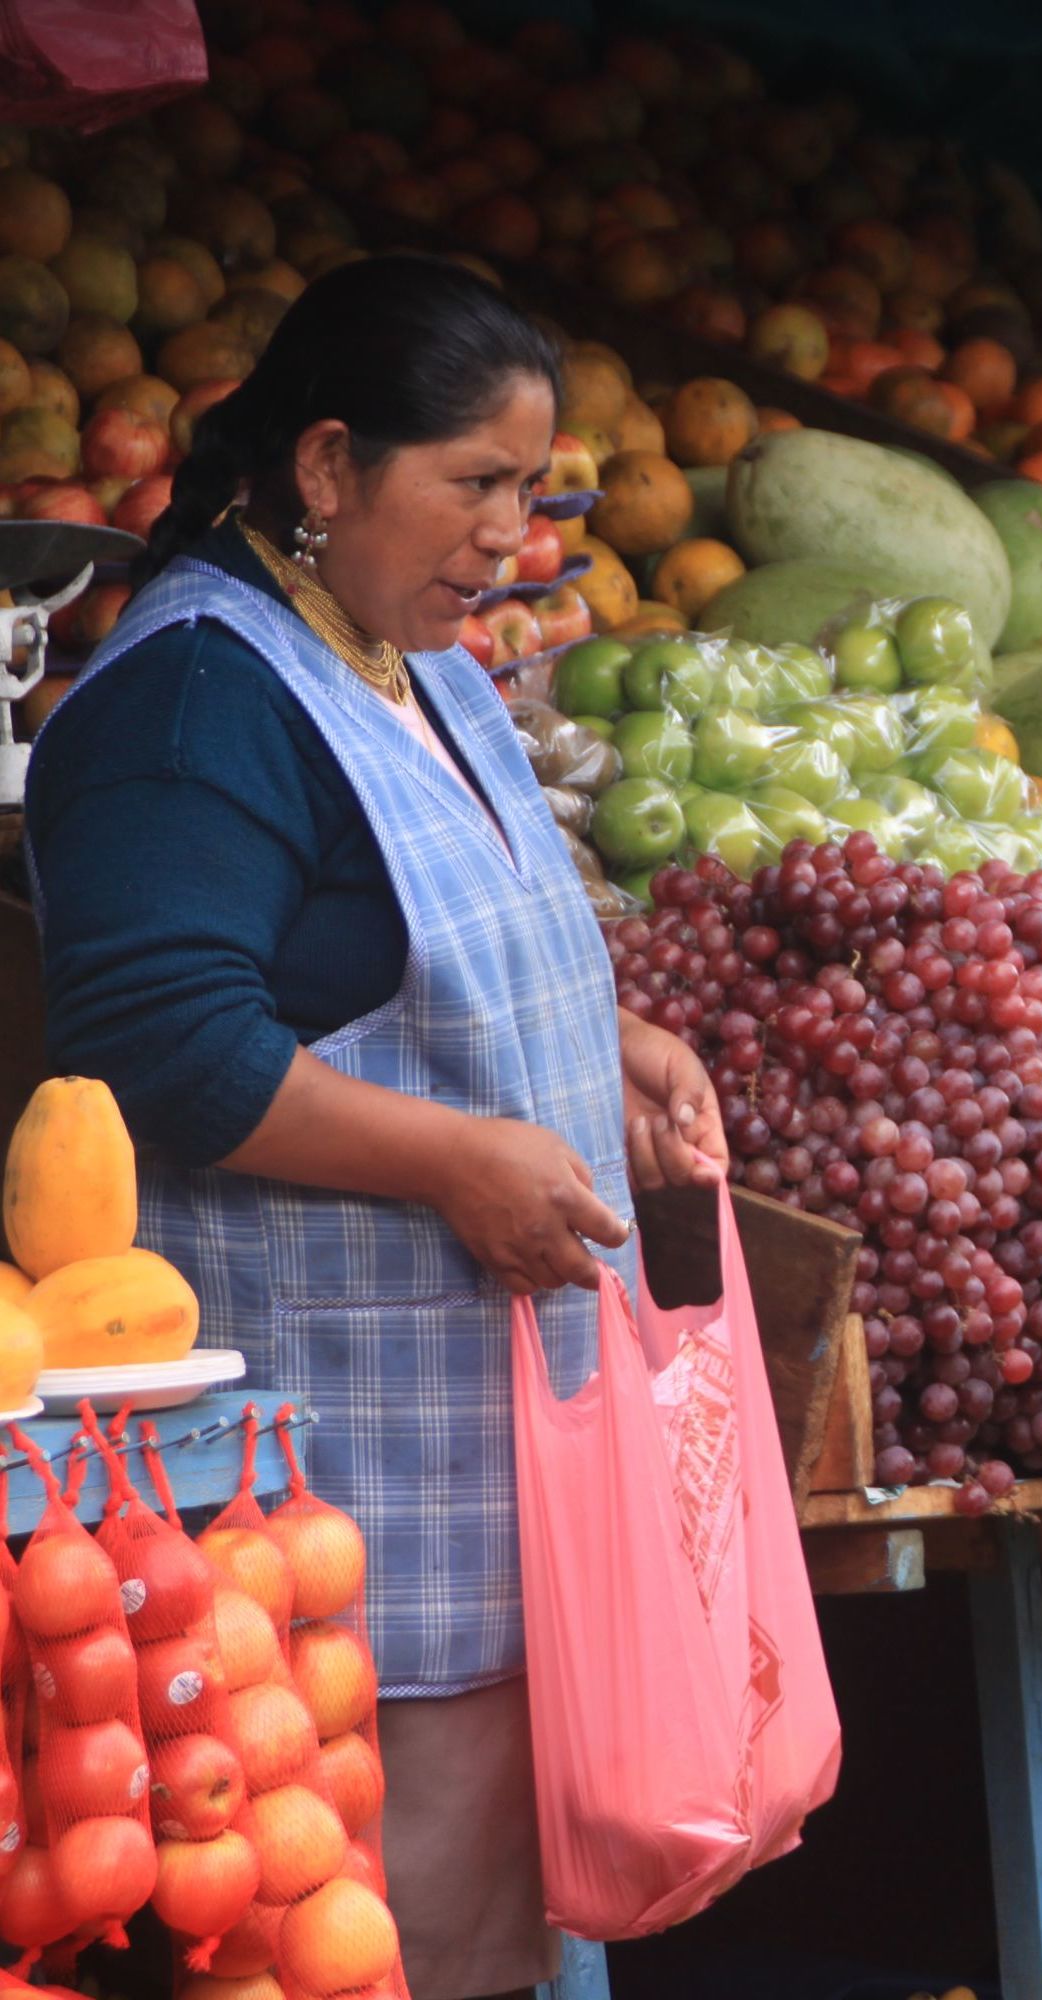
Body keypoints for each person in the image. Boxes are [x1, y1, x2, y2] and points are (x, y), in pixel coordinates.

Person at [24, 255, 726, 2000]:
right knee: (374, 1926)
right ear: (328, 468)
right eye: (474, 486)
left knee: (481, 1912)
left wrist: (604, 1044)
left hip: (485, 1436)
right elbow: (162, 1045)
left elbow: (401, 944)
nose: (515, 536)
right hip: (327, 1454)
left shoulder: (424, 660)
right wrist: (455, 1158)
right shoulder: (195, 703)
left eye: (535, 492)